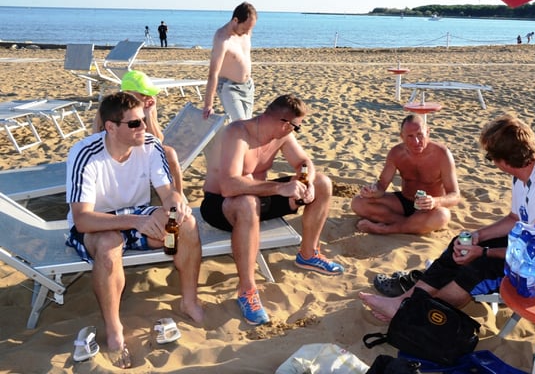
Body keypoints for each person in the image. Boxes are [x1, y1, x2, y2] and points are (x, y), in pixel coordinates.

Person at [360, 114, 535, 322]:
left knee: (477, 270)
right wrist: (477, 236)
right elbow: (514, 219)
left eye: (490, 158)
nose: (492, 163)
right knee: (461, 243)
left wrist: (484, 253)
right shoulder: (526, 171)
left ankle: (410, 314)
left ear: (503, 160)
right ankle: (403, 302)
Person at [66, 92, 204, 368]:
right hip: (98, 222)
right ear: (111, 127)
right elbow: (82, 220)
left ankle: (189, 302)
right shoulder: (85, 153)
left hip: (137, 214)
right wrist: (134, 222)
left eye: (143, 120)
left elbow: (168, 194)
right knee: (109, 244)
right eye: (134, 123)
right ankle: (114, 329)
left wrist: (175, 206)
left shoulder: (151, 146)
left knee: (186, 225)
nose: (144, 127)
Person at [200, 94, 344, 325]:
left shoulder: (282, 136)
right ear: (285, 123)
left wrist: (306, 181)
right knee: (248, 203)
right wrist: (280, 188)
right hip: (221, 205)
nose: (295, 131)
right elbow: (228, 186)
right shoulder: (237, 133)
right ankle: (247, 290)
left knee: (322, 183)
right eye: (296, 127)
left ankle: (308, 254)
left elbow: (304, 162)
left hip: (258, 199)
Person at [351, 114, 460, 235]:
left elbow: (455, 195)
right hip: (404, 202)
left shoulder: (442, 154)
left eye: (420, 135)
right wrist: (373, 192)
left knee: (442, 216)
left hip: (429, 209)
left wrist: (434, 201)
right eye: (410, 136)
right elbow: (382, 185)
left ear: (428, 132)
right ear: (402, 136)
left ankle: (386, 229)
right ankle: (411, 225)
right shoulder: (396, 153)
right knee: (358, 202)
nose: (416, 142)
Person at [92, 70, 186, 193]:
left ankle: (179, 194)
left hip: (141, 148)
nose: (148, 98)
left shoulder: (147, 107)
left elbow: (157, 140)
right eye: (143, 94)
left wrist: (148, 114)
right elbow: (97, 137)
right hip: (116, 151)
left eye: (150, 94)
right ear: (128, 93)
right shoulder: (109, 109)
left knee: (170, 153)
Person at [202, 2, 257, 121]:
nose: (247, 32)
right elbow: (213, 73)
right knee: (240, 125)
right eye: (244, 28)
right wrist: (208, 105)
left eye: (250, 29)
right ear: (235, 20)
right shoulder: (222, 38)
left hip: (248, 86)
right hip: (229, 87)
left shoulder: (247, 32)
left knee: (247, 124)